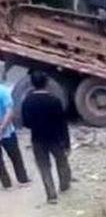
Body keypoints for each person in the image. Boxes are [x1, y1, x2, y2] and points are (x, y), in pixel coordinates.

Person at [21, 71, 71, 204]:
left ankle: (51, 195)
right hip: (55, 138)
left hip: (37, 138)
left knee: (44, 167)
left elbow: (26, 123)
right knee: (61, 161)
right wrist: (67, 142)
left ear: (32, 84)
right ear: (47, 83)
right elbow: (62, 123)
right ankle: (64, 185)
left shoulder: (27, 101)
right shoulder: (54, 101)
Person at [0, 82, 30, 190]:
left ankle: (9, 183)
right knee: (15, 156)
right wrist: (2, 128)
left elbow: (9, 111)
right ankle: (20, 180)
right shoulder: (3, 91)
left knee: (13, 156)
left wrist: (2, 127)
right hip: (6, 131)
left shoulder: (2, 91)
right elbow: (10, 111)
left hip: (6, 131)